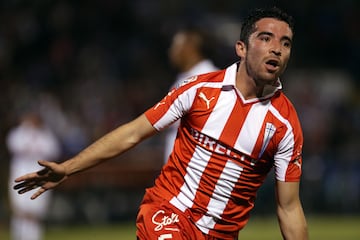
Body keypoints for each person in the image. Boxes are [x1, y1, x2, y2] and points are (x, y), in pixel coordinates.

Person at [13, 7, 309, 240]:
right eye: (266, 38)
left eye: (285, 43)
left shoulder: (285, 124)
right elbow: (132, 133)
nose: (276, 49)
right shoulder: (199, 89)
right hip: (168, 213)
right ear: (241, 48)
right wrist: (68, 167)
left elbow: (289, 207)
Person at [164, 27, 218, 162]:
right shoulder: (184, 77)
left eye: (176, 46)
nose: (171, 52)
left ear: (190, 47)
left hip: (195, 163)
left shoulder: (210, 77)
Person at [7, 111, 61, 240]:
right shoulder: (19, 133)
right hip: (20, 173)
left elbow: (54, 150)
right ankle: (18, 236)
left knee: (35, 209)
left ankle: (33, 237)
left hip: (39, 175)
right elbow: (14, 145)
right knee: (20, 209)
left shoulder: (45, 134)